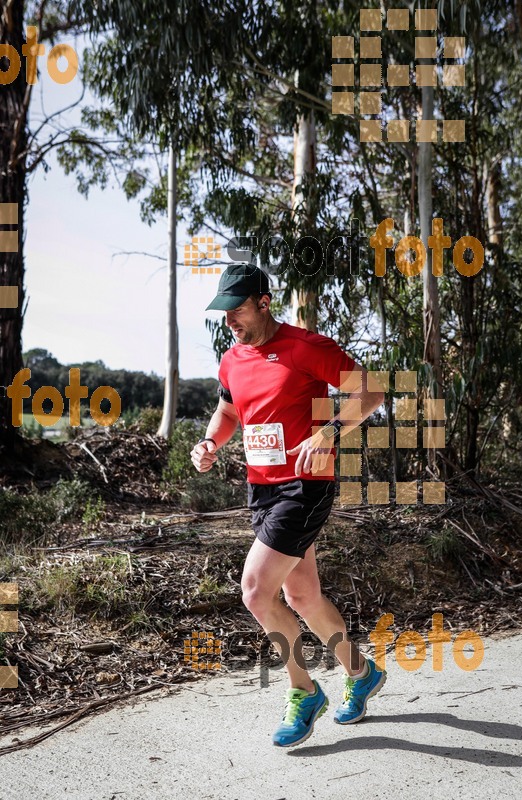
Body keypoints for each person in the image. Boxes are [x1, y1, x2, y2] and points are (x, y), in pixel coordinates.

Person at [190, 264, 387, 747]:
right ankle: (360, 674)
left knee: (256, 590)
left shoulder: (307, 348)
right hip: (263, 490)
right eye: (224, 312)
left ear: (263, 302)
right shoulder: (232, 359)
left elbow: (372, 390)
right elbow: (230, 410)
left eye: (237, 309)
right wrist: (210, 443)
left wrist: (330, 430)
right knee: (301, 597)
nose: (230, 320)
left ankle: (304, 690)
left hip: (305, 486)